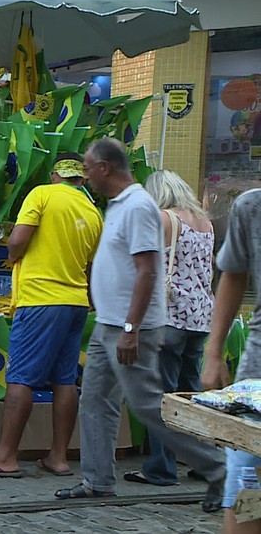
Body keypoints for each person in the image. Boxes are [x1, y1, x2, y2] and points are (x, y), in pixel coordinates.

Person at [54, 137, 225, 510]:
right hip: (108, 325)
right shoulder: (116, 206)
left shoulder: (138, 207)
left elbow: (148, 270)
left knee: (148, 405)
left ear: (105, 167)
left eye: (87, 167)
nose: (85, 174)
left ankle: (219, 471)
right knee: (96, 401)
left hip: (130, 329)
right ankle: (97, 481)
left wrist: (132, 329)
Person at [0, 154, 102, 478]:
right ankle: (58, 456)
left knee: (21, 377)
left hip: (40, 301)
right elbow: (92, 268)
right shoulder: (94, 213)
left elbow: (18, 241)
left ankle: (6, 457)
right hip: (76, 303)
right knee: (65, 379)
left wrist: (13, 254)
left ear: (56, 174)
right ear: (81, 178)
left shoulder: (42, 194)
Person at [124, 170, 214, 487]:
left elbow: (148, 268)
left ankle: (161, 467)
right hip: (201, 317)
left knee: (162, 394)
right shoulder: (205, 222)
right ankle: (206, 462)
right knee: (192, 394)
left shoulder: (164, 220)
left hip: (170, 317)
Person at [201, 187, 261, 533]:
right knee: (246, 496)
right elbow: (233, 275)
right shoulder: (251, 206)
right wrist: (214, 352)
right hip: (256, 383)